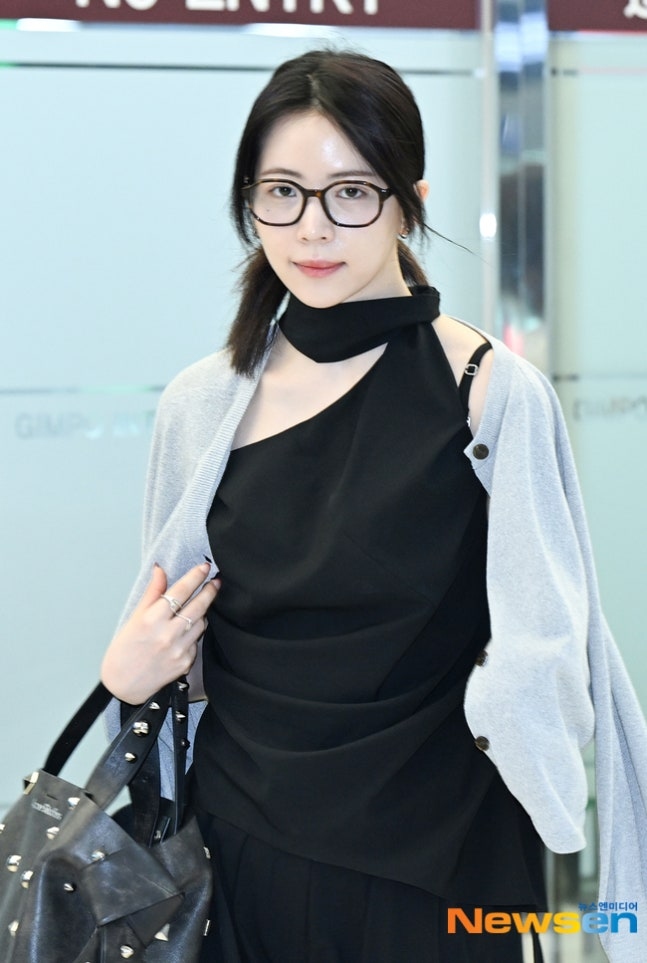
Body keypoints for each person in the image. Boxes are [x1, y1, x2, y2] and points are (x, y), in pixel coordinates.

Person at [101, 49, 647, 963]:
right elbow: (171, 639)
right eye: (282, 193)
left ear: (408, 202)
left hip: (446, 868)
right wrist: (128, 672)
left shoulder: (487, 392)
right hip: (239, 856)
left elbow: (551, 642)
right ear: (249, 203)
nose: (312, 227)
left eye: (350, 192)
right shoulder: (203, 403)